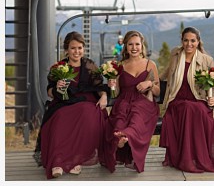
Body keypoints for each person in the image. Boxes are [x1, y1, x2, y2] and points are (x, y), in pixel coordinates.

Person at [35, 32, 114, 178]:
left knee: (87, 114)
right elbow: (49, 91)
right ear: (67, 49)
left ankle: (76, 159)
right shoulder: (59, 67)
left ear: (83, 48)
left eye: (79, 48)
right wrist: (57, 88)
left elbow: (99, 86)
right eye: (73, 48)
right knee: (59, 118)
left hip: (86, 100)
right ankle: (57, 161)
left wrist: (103, 96)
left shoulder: (89, 65)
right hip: (64, 102)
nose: (77, 51)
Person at [159, 27, 214, 173]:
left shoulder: (207, 60)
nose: (189, 44)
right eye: (186, 40)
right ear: (182, 41)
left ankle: (195, 158)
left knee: (196, 110)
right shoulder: (176, 54)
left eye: (193, 41)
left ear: (198, 42)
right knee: (188, 108)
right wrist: (154, 81)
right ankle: (185, 160)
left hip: (198, 99)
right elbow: (167, 72)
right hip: (177, 100)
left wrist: (213, 99)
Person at [106, 31, 160, 173]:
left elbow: (158, 91)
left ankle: (127, 135)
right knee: (120, 116)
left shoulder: (150, 64)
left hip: (144, 101)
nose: (134, 47)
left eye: (137, 44)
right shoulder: (120, 66)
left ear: (142, 46)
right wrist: (112, 84)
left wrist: (149, 83)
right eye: (130, 44)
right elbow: (116, 93)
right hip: (124, 100)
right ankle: (120, 139)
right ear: (125, 47)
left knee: (136, 116)